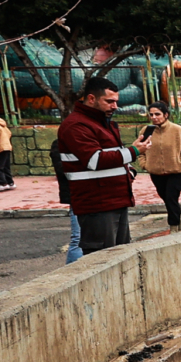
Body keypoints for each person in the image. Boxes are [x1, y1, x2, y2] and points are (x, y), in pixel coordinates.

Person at [56, 75, 136, 249]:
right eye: (109, 101)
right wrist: (134, 151)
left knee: (121, 256)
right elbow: (95, 160)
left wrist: (129, 171)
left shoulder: (103, 123)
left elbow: (112, 156)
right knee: (102, 257)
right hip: (97, 203)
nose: (115, 106)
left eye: (116, 101)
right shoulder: (76, 125)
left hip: (116, 199)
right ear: (91, 98)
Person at [137, 103, 181, 230]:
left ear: (166, 115)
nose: (154, 117)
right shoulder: (146, 131)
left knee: (171, 197)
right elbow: (140, 150)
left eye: (157, 114)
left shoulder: (178, 130)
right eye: (151, 114)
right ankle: (179, 220)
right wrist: (145, 164)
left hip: (176, 172)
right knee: (167, 199)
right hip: (156, 173)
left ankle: (174, 227)